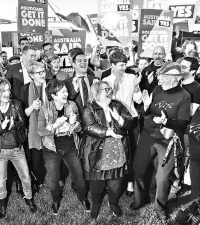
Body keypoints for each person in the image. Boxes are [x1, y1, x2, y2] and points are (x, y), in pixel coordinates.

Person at [131, 62, 191, 220]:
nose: (159, 78)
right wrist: (145, 105)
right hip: (148, 135)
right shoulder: (157, 89)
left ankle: (160, 206)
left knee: (163, 177)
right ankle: (141, 198)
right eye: (160, 75)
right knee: (139, 168)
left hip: (168, 141)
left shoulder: (184, 96)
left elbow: (183, 123)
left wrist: (166, 122)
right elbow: (148, 111)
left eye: (163, 76)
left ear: (174, 78)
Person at [0, 78, 37, 218]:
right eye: (3, 91)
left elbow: (23, 123)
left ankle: (29, 198)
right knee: (1, 179)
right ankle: (2, 203)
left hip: (17, 150)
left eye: (8, 90)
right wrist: (1, 127)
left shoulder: (16, 104)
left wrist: (15, 125)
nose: (7, 93)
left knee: (25, 176)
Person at [81, 81, 133, 220]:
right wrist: (108, 132)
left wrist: (119, 119)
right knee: (97, 186)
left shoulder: (117, 104)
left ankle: (113, 203)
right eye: (105, 89)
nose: (109, 91)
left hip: (117, 150)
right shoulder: (89, 108)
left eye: (109, 88)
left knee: (116, 184)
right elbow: (89, 127)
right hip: (98, 152)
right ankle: (96, 205)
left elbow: (131, 122)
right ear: (96, 92)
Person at [38, 79, 90, 215]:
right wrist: (55, 125)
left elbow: (80, 128)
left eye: (66, 91)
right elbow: (40, 131)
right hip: (51, 150)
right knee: (53, 180)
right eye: (62, 92)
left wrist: (74, 124)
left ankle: (83, 198)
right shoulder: (45, 108)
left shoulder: (72, 105)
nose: (66, 93)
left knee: (79, 176)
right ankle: (56, 200)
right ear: (54, 95)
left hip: (71, 148)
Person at [102, 51, 142, 196]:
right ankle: (114, 181)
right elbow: (104, 101)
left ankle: (130, 183)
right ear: (112, 65)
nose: (123, 68)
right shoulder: (106, 80)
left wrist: (137, 87)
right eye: (120, 65)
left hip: (131, 121)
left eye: (125, 65)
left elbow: (138, 100)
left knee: (131, 152)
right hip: (114, 123)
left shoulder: (132, 77)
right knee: (114, 151)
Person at [20, 61, 48, 192]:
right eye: (40, 72)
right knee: (36, 158)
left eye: (44, 71)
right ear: (31, 75)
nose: (43, 74)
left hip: (50, 127)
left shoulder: (50, 86)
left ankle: (55, 177)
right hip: (33, 131)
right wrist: (32, 107)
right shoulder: (24, 89)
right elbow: (21, 114)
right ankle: (39, 179)